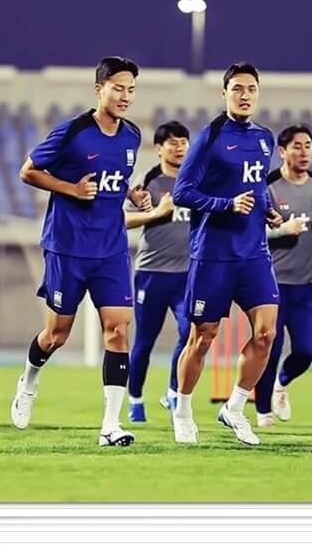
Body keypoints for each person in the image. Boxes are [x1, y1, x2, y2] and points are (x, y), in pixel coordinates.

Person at [10, 56, 152, 447]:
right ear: (99, 89)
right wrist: (71, 189)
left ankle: (110, 426)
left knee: (118, 329)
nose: (125, 96)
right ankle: (29, 381)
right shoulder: (72, 131)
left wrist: (132, 194)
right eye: (118, 88)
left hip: (111, 249)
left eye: (131, 90)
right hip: (67, 247)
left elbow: (115, 180)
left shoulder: (132, 135)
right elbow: (28, 171)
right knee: (57, 334)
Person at [171, 62, 283, 446]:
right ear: (224, 94)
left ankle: (234, 408)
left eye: (251, 88)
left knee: (267, 334)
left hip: (254, 254)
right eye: (237, 89)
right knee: (203, 338)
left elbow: (256, 186)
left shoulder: (265, 139)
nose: (245, 95)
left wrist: (267, 209)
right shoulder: (210, 137)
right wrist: (226, 204)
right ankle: (183, 412)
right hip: (213, 254)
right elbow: (182, 193)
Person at [253, 124, 312, 427]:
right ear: (282, 151)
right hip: (271, 283)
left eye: (308, 145)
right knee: (269, 349)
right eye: (297, 146)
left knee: (305, 351)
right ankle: (263, 410)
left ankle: (281, 383)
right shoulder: (267, 185)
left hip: (306, 284)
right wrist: (282, 230)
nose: (304, 152)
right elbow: (251, 231)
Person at [125, 121, 192, 422]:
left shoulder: (195, 180)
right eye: (173, 143)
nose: (179, 148)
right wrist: (156, 213)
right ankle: (135, 400)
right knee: (145, 342)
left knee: (190, 332)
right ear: (159, 148)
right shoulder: (147, 181)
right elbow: (122, 220)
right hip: (152, 273)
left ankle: (174, 392)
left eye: (184, 142)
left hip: (187, 274)